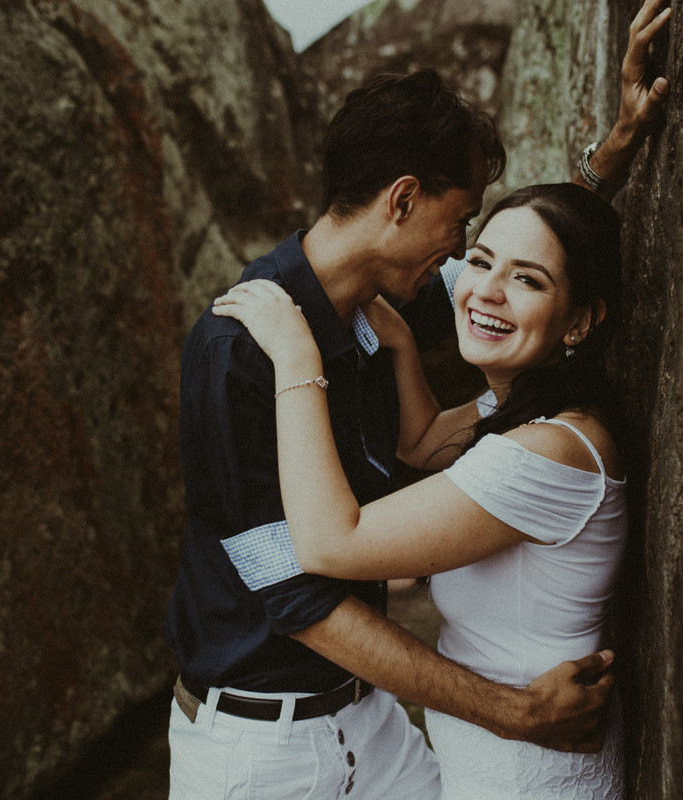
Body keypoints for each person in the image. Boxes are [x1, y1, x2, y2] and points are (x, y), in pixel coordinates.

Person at [164, 2, 670, 796]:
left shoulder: (386, 297)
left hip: (375, 727)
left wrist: (611, 155)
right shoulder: (239, 353)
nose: (464, 250)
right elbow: (298, 597)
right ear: (402, 201)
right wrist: (512, 711)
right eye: (460, 220)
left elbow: (527, 275)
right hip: (260, 750)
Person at [214, 182, 628, 798]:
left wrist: (299, 361)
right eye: (480, 261)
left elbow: (330, 543)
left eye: (527, 280)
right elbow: (426, 443)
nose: (487, 290)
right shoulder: (523, 410)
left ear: (581, 321)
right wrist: (404, 342)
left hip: (533, 778)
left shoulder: (548, 451)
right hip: (497, 769)